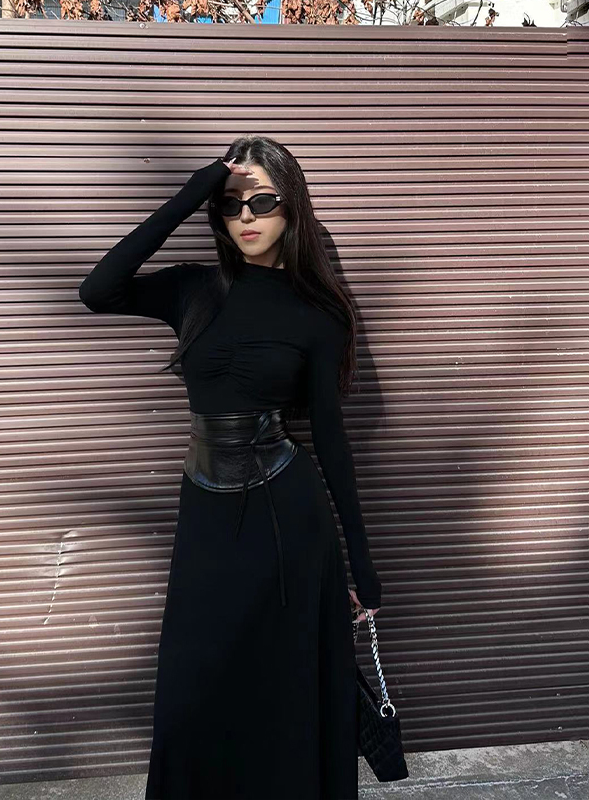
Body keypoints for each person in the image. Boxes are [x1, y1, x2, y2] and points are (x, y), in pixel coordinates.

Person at [78, 135, 382, 800]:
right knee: (193, 692)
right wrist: (193, 191)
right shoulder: (194, 289)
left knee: (282, 691)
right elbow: (97, 290)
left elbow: (331, 438)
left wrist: (361, 562)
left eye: (263, 202)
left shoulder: (319, 311)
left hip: (286, 520)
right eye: (231, 204)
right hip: (206, 513)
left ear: (292, 208)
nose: (246, 216)